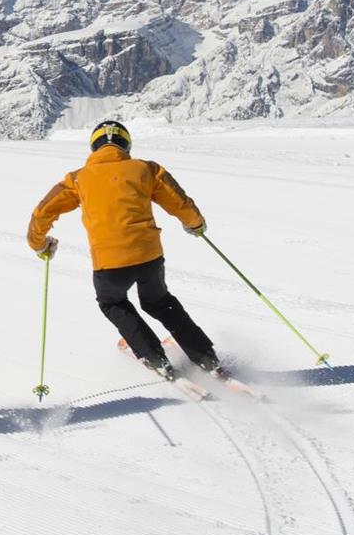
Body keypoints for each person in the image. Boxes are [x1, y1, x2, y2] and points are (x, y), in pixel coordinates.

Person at [24, 120, 229, 381]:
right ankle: (206, 357)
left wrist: (39, 244)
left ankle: (154, 357)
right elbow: (178, 200)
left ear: (94, 147)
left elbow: (43, 212)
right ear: (126, 145)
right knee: (160, 302)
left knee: (112, 303)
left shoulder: (77, 179)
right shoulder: (146, 169)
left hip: (109, 264)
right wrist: (195, 224)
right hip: (149, 257)